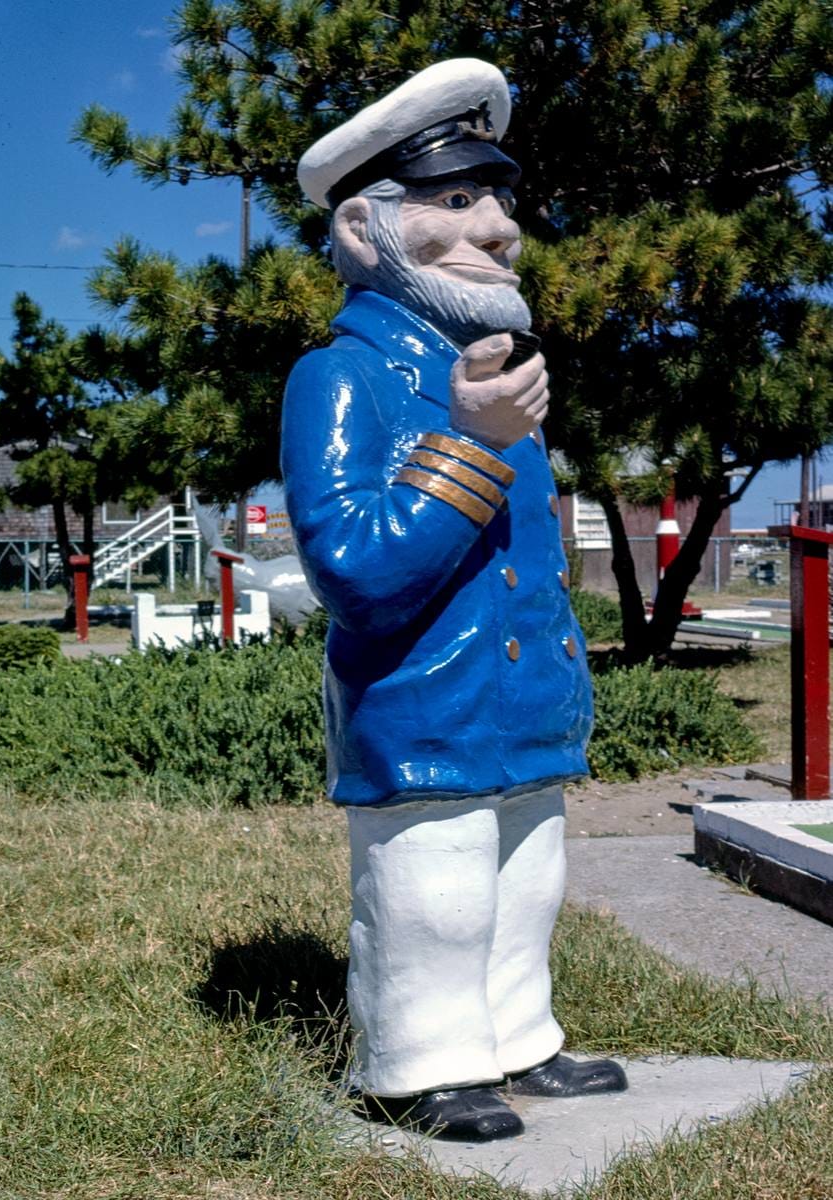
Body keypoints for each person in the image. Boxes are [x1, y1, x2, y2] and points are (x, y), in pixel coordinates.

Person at [282, 58, 627, 1142]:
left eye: (498, 200)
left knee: (524, 878)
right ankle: (417, 1057)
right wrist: (471, 443)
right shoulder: (343, 378)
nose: (499, 227)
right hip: (421, 698)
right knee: (436, 892)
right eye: (454, 201)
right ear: (359, 230)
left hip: (521, 701)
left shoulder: (487, 365)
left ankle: (516, 1035)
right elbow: (354, 567)